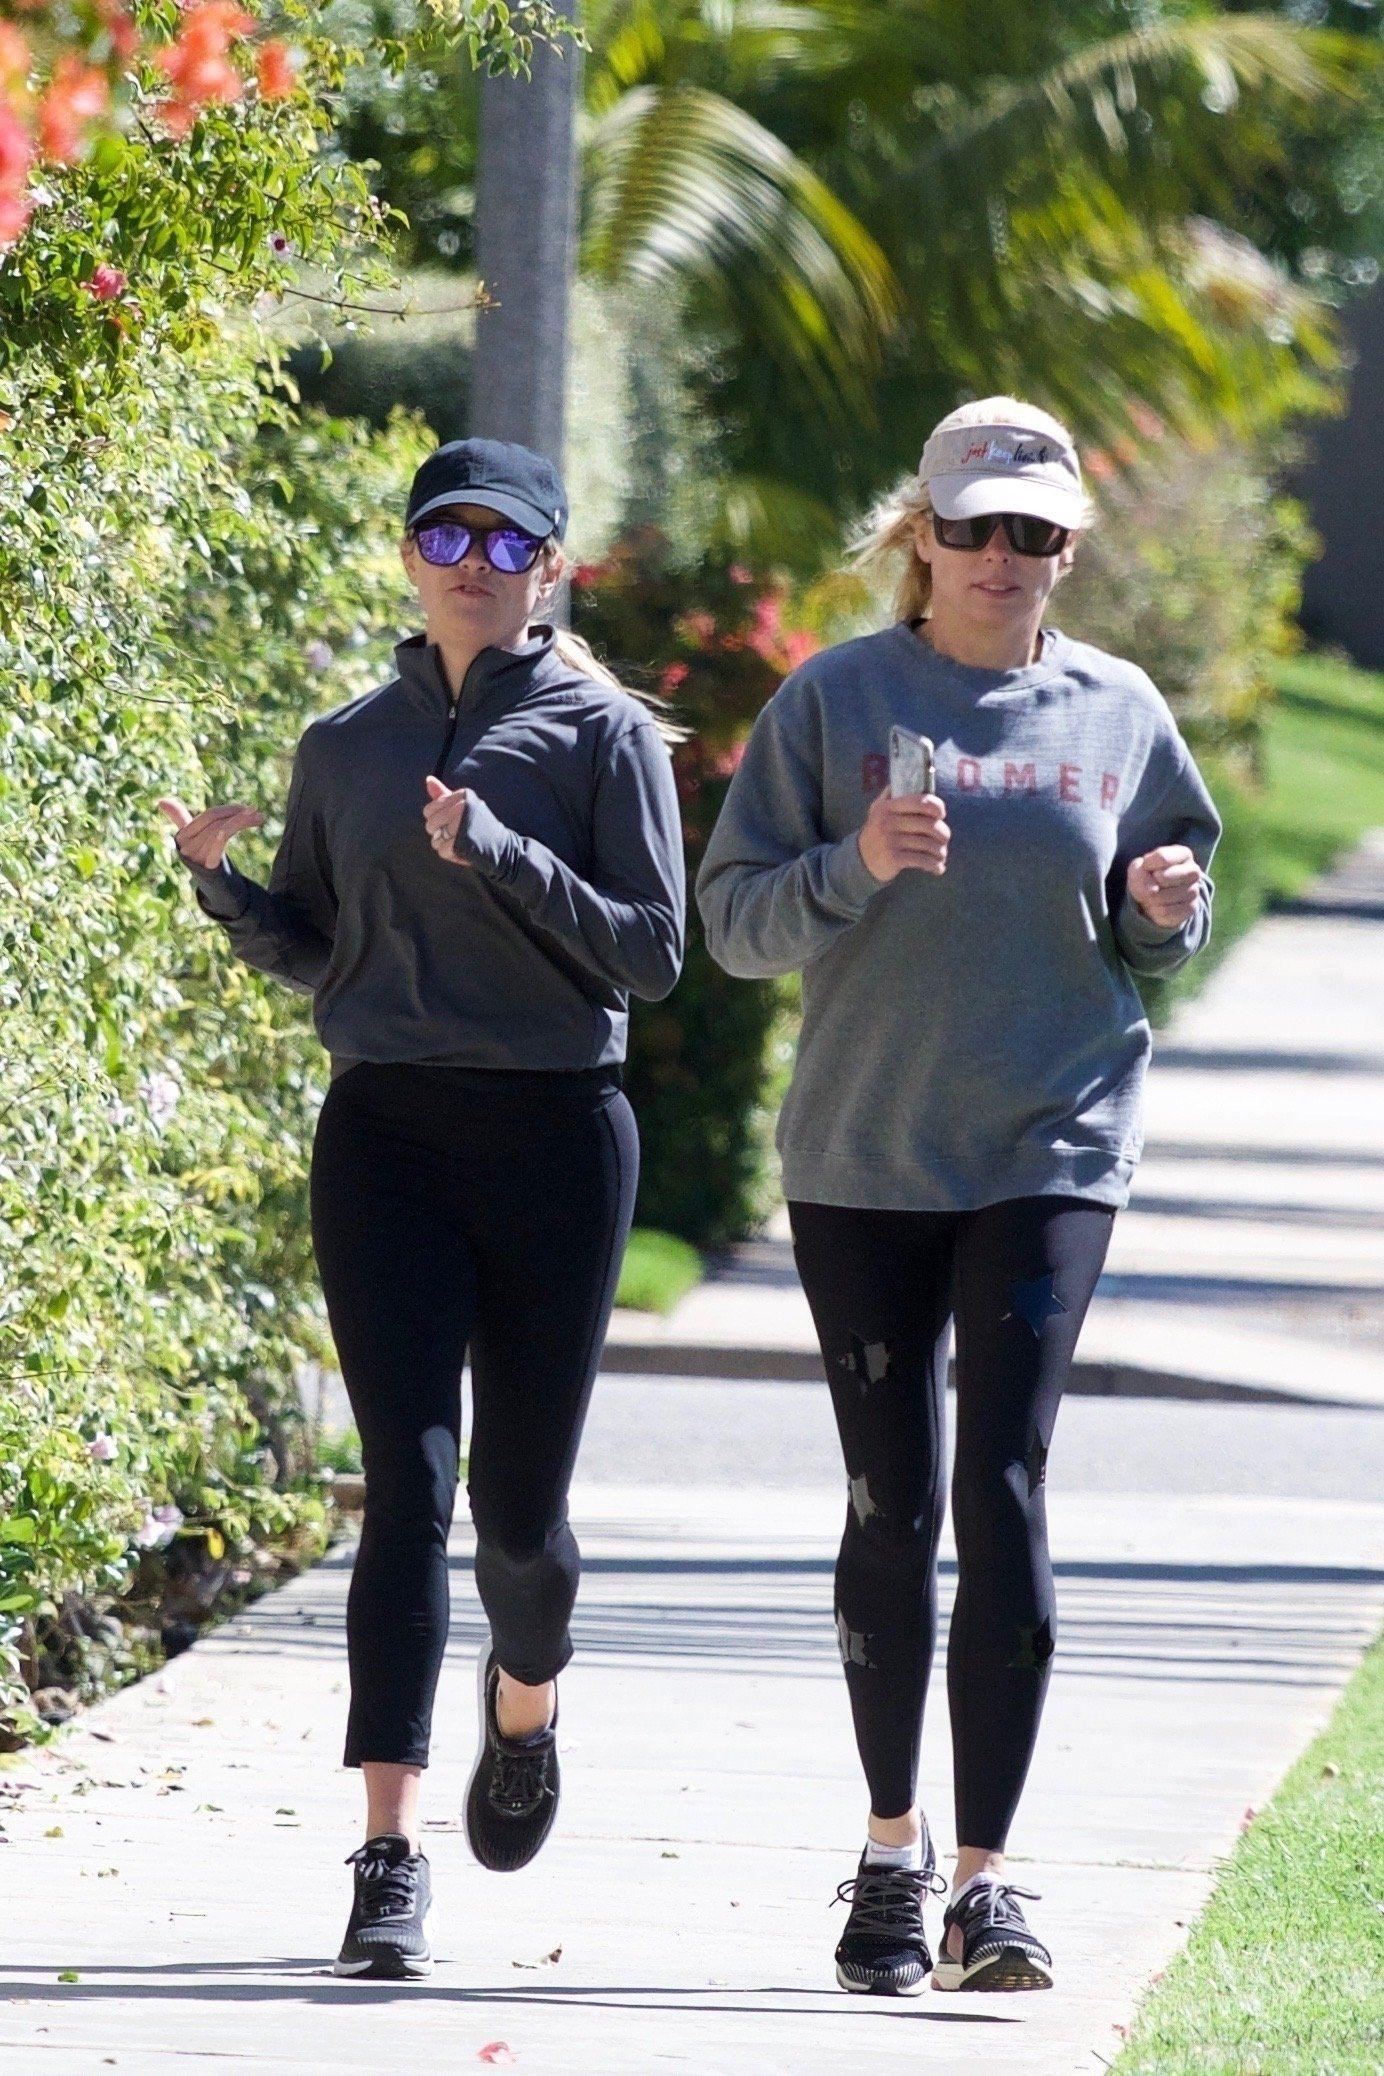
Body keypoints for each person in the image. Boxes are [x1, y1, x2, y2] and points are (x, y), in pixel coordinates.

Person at [695, 398, 1222, 1997]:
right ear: (922, 534)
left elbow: (1155, 922)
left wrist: (1156, 910)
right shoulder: (836, 701)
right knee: (892, 1504)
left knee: (1001, 1487)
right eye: (979, 527)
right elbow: (732, 924)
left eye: (1038, 534)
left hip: (1049, 1144)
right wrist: (855, 861)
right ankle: (886, 1854)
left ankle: (989, 1883)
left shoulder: (1120, 712)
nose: (1007, 558)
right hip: (864, 1155)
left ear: (1070, 549)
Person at [157, 437, 687, 1980]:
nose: (473, 562)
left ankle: (526, 1700)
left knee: (522, 1521)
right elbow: (329, 955)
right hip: (384, 1132)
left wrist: (504, 851)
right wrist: (227, 896)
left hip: (557, 1136)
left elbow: (650, 958)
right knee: (409, 1490)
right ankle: (387, 1854)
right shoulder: (347, 744)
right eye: (445, 535)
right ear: (406, 557)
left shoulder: (605, 739)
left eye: (506, 542)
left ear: (548, 569)